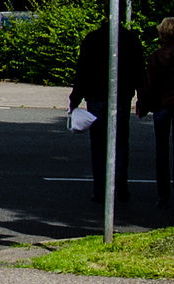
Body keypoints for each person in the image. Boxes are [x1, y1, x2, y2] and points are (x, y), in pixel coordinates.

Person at [70, 20, 146, 204]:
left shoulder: (92, 38)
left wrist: (75, 97)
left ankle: (99, 189)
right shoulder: (130, 39)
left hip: (96, 96)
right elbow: (139, 70)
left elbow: (83, 70)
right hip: (121, 95)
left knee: (98, 144)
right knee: (120, 142)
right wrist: (141, 97)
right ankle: (120, 184)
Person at [138, 17, 174, 210]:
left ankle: (163, 195)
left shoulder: (157, 56)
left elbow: (149, 85)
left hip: (162, 105)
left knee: (161, 150)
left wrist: (143, 104)